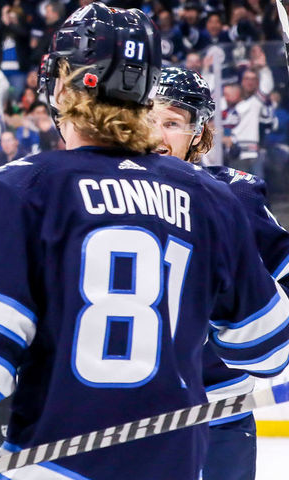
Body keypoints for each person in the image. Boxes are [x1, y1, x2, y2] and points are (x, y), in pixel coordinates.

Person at [0, 4, 289, 480]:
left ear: (65, 84)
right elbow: (267, 348)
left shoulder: (22, 187)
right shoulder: (212, 199)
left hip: (52, 466)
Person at [154, 66, 289, 480]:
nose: (158, 135)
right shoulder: (96, 193)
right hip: (124, 418)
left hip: (219, 416)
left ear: (197, 131)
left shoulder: (234, 196)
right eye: (146, 118)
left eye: (172, 122)